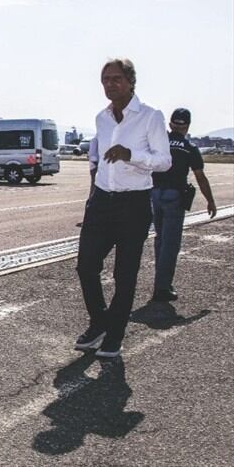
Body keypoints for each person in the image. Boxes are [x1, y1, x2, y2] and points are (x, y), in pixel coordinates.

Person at [74, 58, 171, 358]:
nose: (110, 84)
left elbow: (164, 161)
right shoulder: (101, 118)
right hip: (102, 201)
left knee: (124, 274)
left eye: (116, 78)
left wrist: (131, 155)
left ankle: (114, 335)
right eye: (105, 79)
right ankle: (100, 322)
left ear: (130, 81)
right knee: (86, 266)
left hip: (134, 204)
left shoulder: (150, 117)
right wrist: (93, 195)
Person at [150, 107, 217, 302]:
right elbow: (200, 177)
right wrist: (210, 200)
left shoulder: (159, 143)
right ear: (187, 126)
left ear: (171, 124)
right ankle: (162, 288)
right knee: (171, 244)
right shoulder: (189, 147)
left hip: (154, 193)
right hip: (174, 196)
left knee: (160, 240)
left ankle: (161, 281)